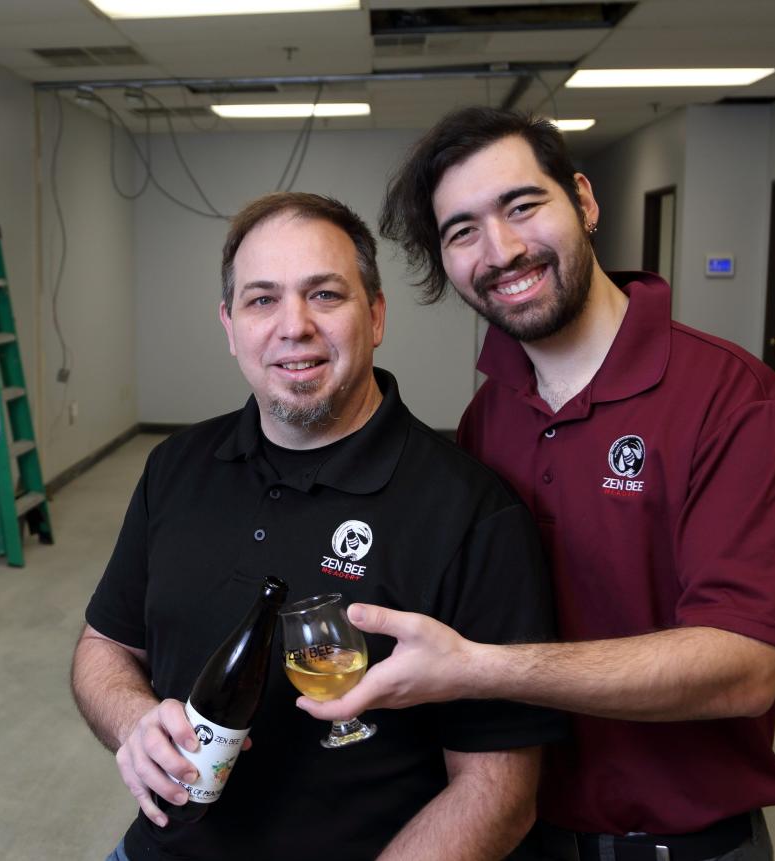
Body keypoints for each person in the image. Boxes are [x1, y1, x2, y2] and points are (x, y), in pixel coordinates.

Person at [299, 107, 775, 860]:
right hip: (517, 832)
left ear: (584, 199)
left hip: (676, 845)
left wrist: (480, 668)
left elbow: (741, 670)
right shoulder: (489, 414)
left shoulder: (730, 398)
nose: (500, 250)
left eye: (521, 206)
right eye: (462, 230)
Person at [70, 191, 567, 861]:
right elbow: (104, 644)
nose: (293, 325)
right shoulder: (175, 468)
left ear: (377, 313)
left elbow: (498, 793)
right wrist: (135, 722)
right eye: (261, 299)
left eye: (325, 295)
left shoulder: (472, 512)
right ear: (229, 324)